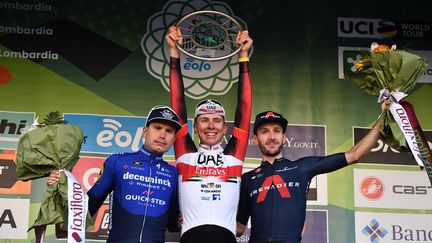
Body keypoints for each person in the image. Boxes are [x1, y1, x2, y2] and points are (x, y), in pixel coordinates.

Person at [236, 102, 390, 243]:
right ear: (255, 139)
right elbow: (239, 228)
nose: (271, 137)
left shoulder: (302, 167)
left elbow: (355, 155)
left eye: (277, 131)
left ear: (284, 138)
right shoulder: (247, 179)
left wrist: (384, 117)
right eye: (265, 132)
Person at [165, 26, 253, 243]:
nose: (211, 126)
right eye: (204, 120)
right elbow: (178, 106)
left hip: (226, 236)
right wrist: (175, 53)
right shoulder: (186, 154)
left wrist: (243, 56)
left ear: (225, 128)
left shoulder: (233, 154)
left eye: (217, 121)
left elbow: (244, 107)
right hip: (190, 236)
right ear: (195, 127)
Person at [47, 105, 182, 243]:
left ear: (173, 139)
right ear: (145, 131)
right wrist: (61, 188)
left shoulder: (173, 174)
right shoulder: (117, 161)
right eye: (157, 128)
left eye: (169, 131)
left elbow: (173, 224)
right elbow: (88, 207)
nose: (162, 135)